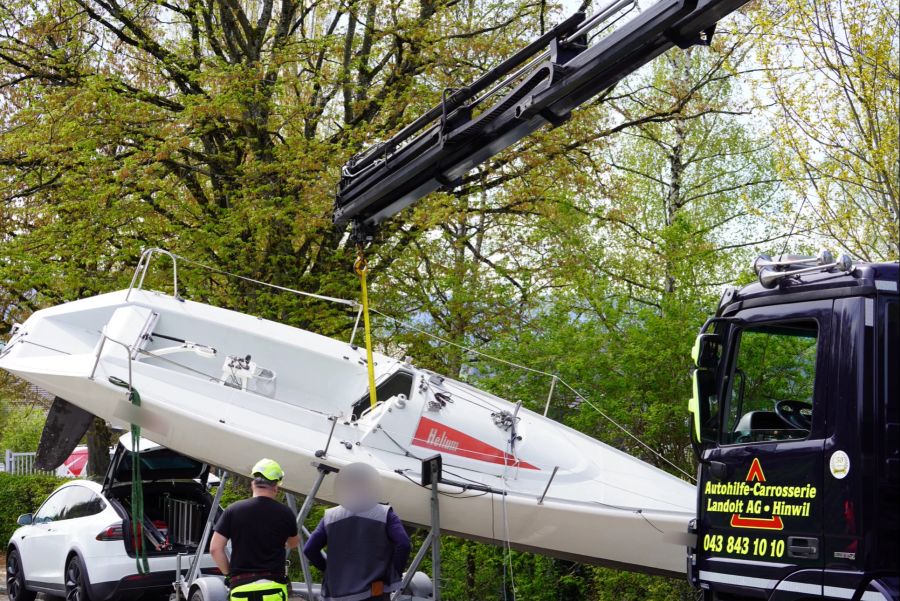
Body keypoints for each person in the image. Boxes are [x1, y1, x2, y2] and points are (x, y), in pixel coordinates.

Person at [303, 462, 411, 601]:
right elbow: (404, 544)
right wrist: (392, 573)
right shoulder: (385, 514)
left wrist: (329, 570)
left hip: (336, 594)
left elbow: (310, 549)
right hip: (373, 592)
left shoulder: (330, 516)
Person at [210, 459, 300, 601]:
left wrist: (229, 574)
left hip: (241, 588)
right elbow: (294, 543)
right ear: (276, 486)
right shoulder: (285, 513)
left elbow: (215, 549)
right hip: (273, 588)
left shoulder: (233, 510)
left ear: (253, 484)